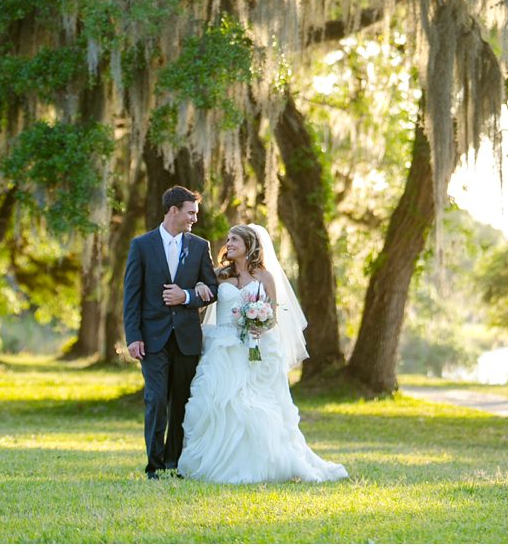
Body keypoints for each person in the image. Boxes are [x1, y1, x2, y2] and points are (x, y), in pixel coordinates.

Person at [177, 223, 348, 484]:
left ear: (249, 245)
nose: (229, 243)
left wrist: (258, 323)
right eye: (229, 239)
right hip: (222, 348)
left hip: (252, 349)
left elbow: (273, 317)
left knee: (251, 404)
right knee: (218, 402)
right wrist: (200, 286)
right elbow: (204, 295)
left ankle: (257, 463)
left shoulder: (265, 277)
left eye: (235, 239)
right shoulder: (220, 276)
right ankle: (215, 463)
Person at [123, 185, 219, 477]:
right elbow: (131, 295)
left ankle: (174, 461)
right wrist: (133, 336)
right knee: (155, 399)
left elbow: (213, 289)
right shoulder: (141, 245)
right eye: (191, 213)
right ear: (173, 211)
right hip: (152, 338)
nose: (194, 219)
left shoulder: (200, 246)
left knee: (181, 401)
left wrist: (187, 296)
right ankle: (154, 464)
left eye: (196, 213)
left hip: (187, 338)